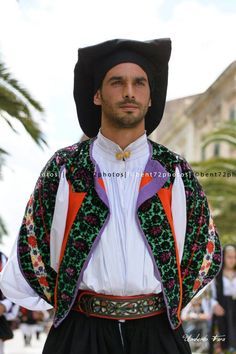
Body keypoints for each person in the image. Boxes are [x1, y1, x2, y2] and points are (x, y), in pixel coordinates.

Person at [0, 38, 222, 354]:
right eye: (117, 82)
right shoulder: (65, 166)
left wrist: (171, 299)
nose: (129, 91)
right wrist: (68, 298)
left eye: (139, 83)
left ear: (149, 97)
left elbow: (204, 249)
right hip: (81, 331)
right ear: (97, 95)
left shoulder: (174, 170)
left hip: (157, 332)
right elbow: (32, 242)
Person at [209, 244, 236, 354]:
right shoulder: (215, 275)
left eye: (234, 257)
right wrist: (214, 304)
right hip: (221, 311)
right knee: (221, 343)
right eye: (229, 257)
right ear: (223, 257)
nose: (232, 260)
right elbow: (209, 295)